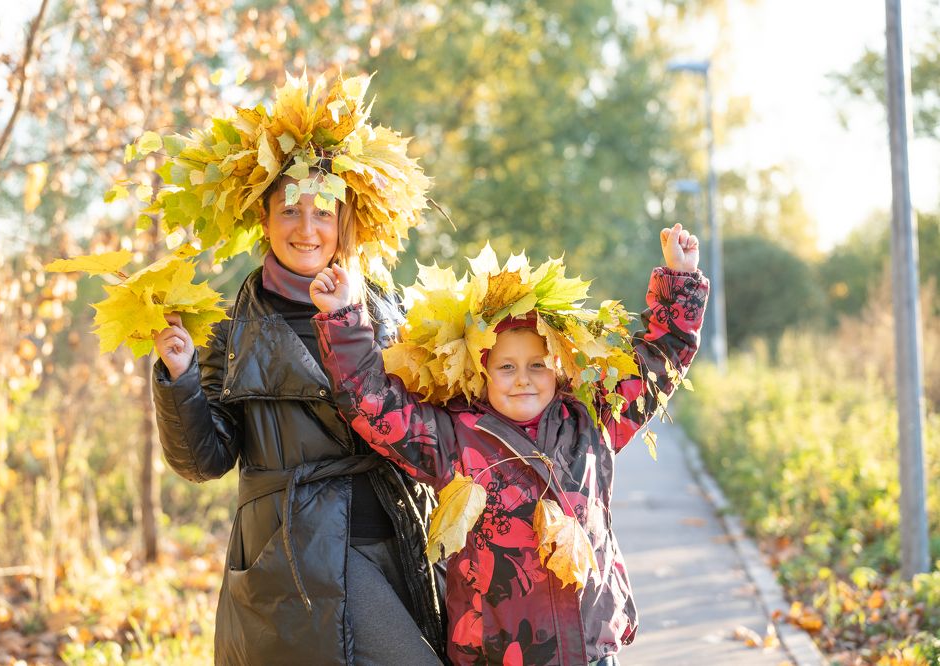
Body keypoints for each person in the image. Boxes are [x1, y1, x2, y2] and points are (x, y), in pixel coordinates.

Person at [308, 223, 709, 665]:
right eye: (506, 367)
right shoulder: (456, 439)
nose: (523, 378)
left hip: (589, 646)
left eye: (537, 364)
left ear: (558, 367)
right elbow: (376, 407)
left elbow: (659, 364)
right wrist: (343, 317)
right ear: (482, 373)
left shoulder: (592, 422)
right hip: (495, 652)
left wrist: (680, 279)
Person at [150, 72, 445, 665]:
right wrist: (179, 378)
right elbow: (203, 461)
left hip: (399, 530)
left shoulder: (387, 307)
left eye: (324, 212)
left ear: (345, 222)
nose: (306, 229)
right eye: (289, 210)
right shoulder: (228, 328)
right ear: (263, 217)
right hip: (295, 553)